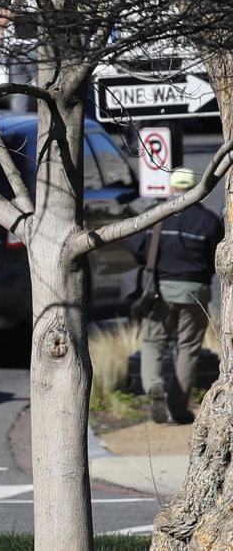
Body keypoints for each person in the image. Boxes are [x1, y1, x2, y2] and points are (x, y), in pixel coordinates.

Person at [129, 167, 223, 425]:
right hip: (195, 292)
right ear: (196, 188)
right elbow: (216, 256)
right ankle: (178, 408)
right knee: (188, 350)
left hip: (159, 291)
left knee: (153, 343)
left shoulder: (156, 216)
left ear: (172, 188)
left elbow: (136, 249)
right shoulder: (208, 221)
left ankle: (154, 386)